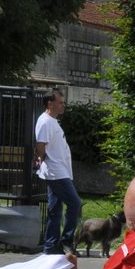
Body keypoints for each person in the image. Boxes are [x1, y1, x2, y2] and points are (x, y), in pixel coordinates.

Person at [35, 89, 82, 255]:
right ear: (50, 103)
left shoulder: (51, 121)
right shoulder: (45, 122)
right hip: (55, 172)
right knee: (75, 204)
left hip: (58, 170)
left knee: (55, 210)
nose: (63, 105)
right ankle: (66, 242)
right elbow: (40, 144)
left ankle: (50, 246)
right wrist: (40, 159)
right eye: (60, 102)